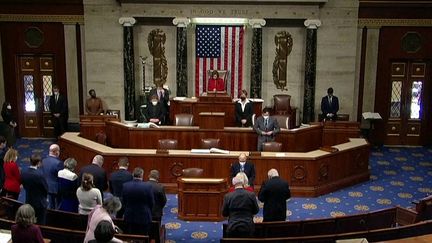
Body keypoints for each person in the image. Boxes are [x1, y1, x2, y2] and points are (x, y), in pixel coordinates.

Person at [122, 167, 154, 235]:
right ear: (142, 175)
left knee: (130, 236)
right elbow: (151, 203)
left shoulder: (125, 186)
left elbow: (124, 201)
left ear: (133, 174)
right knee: (143, 235)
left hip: (129, 215)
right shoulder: (148, 187)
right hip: (144, 216)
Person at [21, 154, 49, 225]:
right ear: (39, 163)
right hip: (40, 203)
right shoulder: (40, 175)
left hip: (28, 200)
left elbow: (23, 184)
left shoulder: (23, 172)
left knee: (29, 220)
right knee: (40, 222)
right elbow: (45, 188)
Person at [41, 144, 64, 209]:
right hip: (56, 188)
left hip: (46, 185)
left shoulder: (43, 160)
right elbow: (61, 176)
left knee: (51, 204)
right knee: (59, 205)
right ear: (56, 152)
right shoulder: (58, 163)